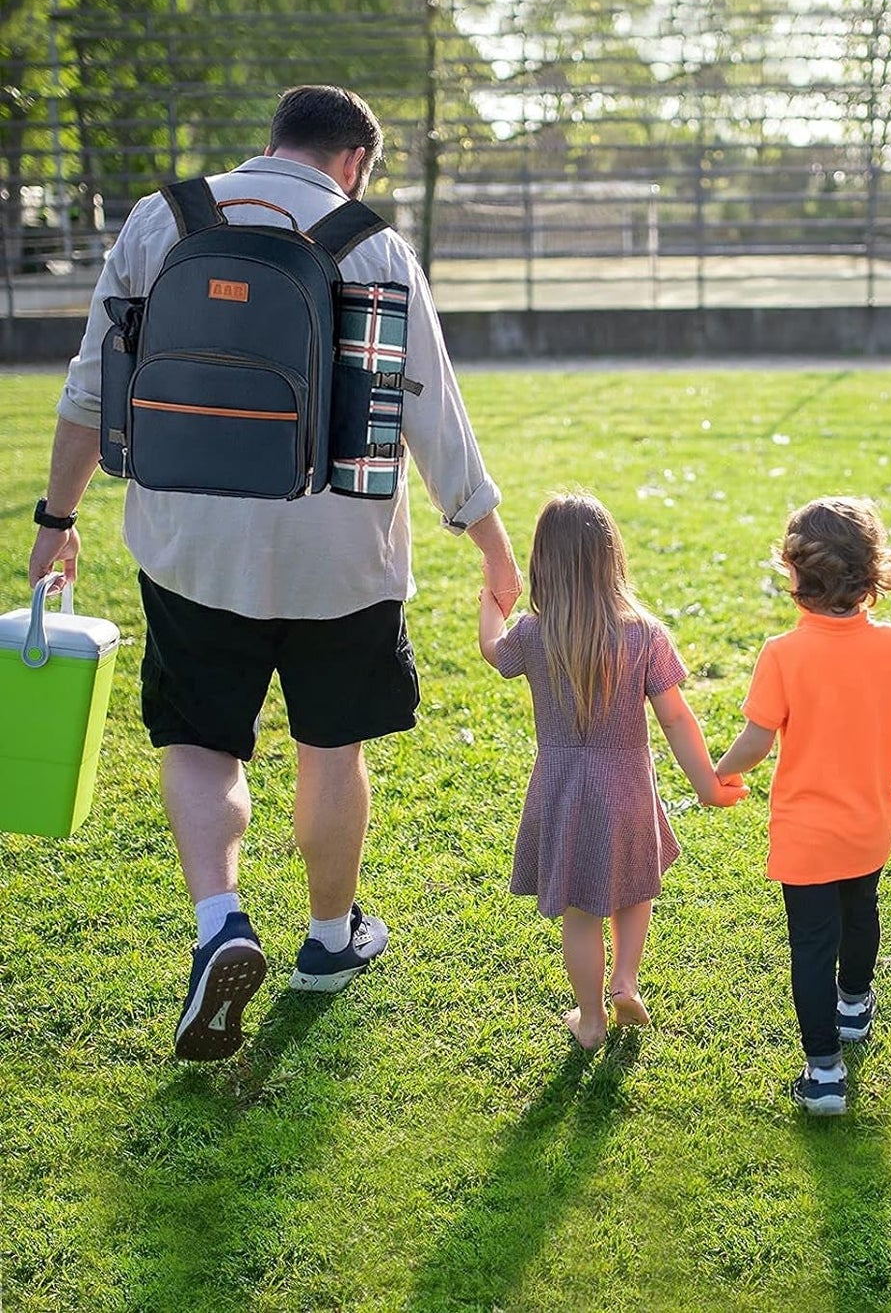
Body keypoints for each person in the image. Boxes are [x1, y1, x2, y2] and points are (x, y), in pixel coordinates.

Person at [27, 85, 522, 1062]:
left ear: (272, 143)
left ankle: (220, 919)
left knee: (201, 742)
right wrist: (494, 553)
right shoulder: (372, 243)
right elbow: (438, 420)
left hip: (189, 543)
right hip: (339, 554)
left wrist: (56, 519)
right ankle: (330, 942)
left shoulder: (160, 221)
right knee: (331, 748)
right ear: (353, 162)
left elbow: (92, 384)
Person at [713, 497, 891, 1115]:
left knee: (812, 944)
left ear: (794, 574)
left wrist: (716, 772)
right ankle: (855, 1007)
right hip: (869, 828)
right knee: (861, 913)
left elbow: (756, 742)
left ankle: (825, 1073)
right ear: (873, 574)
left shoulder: (782, 654)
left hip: (806, 836)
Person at [479, 492, 746, 1050]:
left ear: (541, 563)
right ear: (611, 559)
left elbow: (490, 648)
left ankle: (592, 1018)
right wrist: (707, 785)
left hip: (561, 789)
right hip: (626, 788)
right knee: (633, 885)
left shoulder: (533, 634)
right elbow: (675, 717)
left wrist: (492, 598)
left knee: (580, 913)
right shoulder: (643, 633)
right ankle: (626, 980)